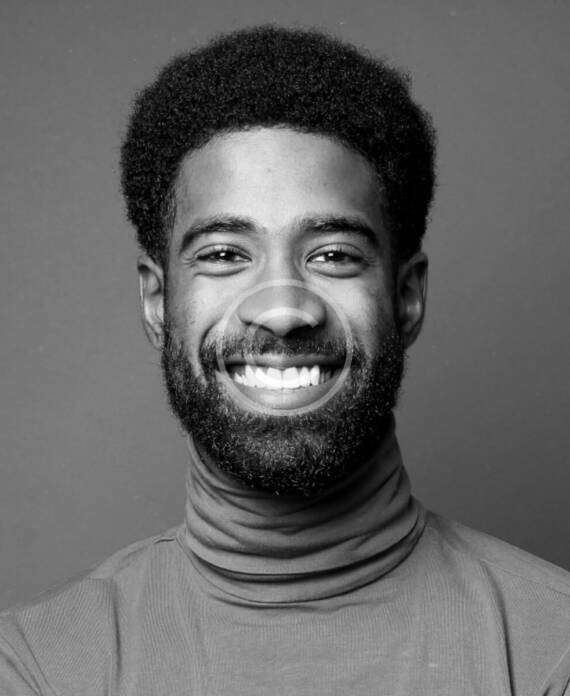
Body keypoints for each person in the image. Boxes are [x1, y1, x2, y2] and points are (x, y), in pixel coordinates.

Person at [0, 24, 568, 696]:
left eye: (333, 255)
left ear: (406, 296)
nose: (281, 309)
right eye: (223, 255)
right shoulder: (36, 668)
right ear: (157, 302)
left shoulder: (551, 649)